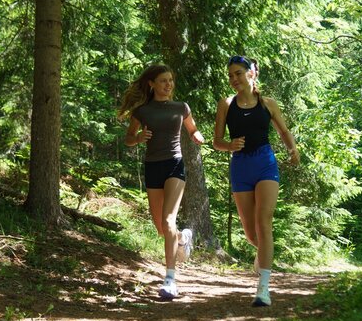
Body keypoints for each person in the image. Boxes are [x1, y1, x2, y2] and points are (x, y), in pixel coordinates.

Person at [213, 55, 299, 307]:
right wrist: (229, 145)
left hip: (265, 163)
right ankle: (261, 256)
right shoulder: (226, 104)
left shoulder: (268, 104)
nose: (233, 79)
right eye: (230, 75)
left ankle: (263, 288)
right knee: (252, 233)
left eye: (238, 73)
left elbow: (283, 130)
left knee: (264, 221)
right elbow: (216, 141)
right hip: (240, 167)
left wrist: (292, 149)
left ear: (251, 74)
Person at [119, 63, 205, 300]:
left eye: (170, 80)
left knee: (169, 220)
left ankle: (169, 280)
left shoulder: (181, 107)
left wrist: (197, 135)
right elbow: (128, 138)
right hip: (153, 167)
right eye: (163, 81)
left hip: (175, 165)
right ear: (152, 84)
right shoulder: (142, 111)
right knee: (161, 228)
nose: (169, 85)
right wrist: (138, 138)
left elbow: (192, 129)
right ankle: (182, 238)